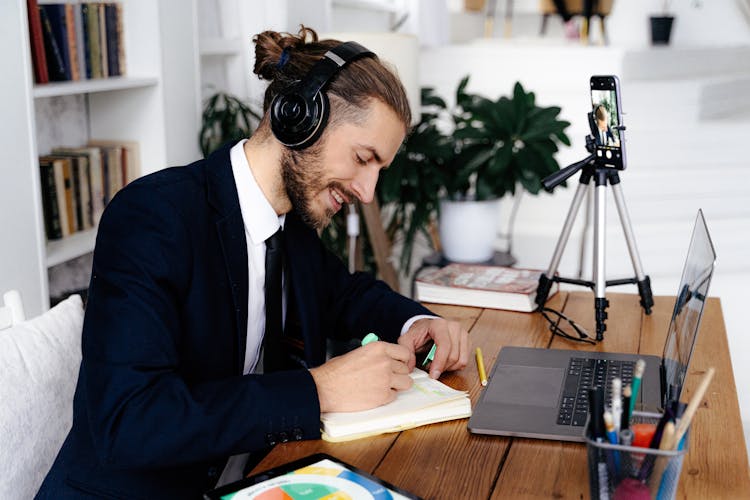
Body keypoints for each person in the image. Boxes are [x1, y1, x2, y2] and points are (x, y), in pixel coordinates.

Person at [37, 26, 469, 499]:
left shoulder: (293, 223)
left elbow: (345, 292)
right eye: (362, 159)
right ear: (300, 118)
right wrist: (318, 389)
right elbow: (130, 420)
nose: (367, 192)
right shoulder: (154, 218)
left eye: (378, 171)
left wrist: (419, 320)